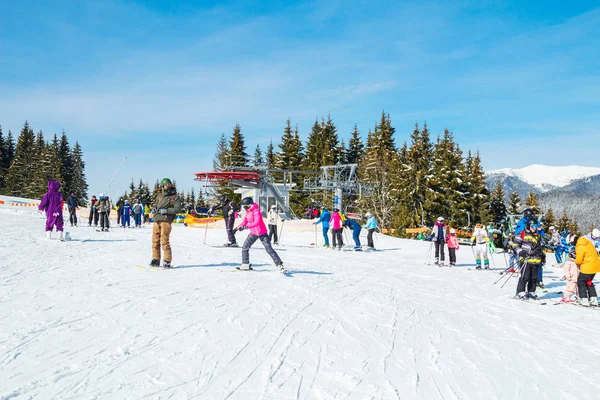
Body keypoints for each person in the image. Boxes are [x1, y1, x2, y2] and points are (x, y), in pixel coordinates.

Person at [235, 197, 285, 271]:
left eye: (245, 205)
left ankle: (279, 264)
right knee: (245, 247)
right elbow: (244, 221)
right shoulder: (248, 212)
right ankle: (245, 264)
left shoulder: (256, 211)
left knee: (269, 249)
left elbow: (256, 223)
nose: (244, 207)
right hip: (253, 233)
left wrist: (245, 227)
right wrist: (237, 228)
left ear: (249, 205)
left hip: (262, 233)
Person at [150, 178, 182, 268]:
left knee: (164, 241)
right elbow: (156, 205)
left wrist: (167, 210)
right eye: (165, 184)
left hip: (166, 221)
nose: (167, 186)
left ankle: (167, 260)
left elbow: (178, 209)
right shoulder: (160, 196)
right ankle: (155, 259)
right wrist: (154, 208)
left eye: (169, 184)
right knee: (155, 241)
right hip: (157, 220)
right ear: (163, 186)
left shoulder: (174, 197)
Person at [513, 220, 545, 300]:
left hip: (536, 260)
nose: (534, 228)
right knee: (525, 276)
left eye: (535, 226)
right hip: (526, 260)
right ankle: (520, 292)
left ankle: (531, 291)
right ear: (528, 226)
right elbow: (515, 245)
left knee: (534, 277)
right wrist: (522, 253)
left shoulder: (537, 235)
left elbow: (540, 247)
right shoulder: (522, 233)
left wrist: (542, 256)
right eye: (532, 226)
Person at [574, 234, 600, 306]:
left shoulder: (580, 245)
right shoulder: (588, 242)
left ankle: (584, 299)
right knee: (589, 282)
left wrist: (574, 260)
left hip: (587, 267)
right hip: (595, 266)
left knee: (581, 282)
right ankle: (593, 298)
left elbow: (579, 260)